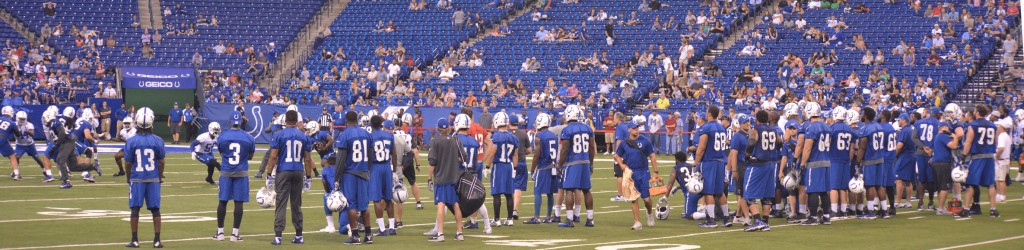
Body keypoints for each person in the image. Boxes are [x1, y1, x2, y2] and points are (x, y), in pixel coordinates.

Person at [264, 110, 314, 245]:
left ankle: (278, 236)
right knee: (296, 204)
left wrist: (268, 174)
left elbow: (273, 156)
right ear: (297, 121)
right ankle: (299, 235)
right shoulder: (303, 136)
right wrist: (308, 177)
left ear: (285, 120)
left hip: (283, 170)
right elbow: (308, 159)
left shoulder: (279, 134)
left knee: (281, 202)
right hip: (298, 170)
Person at [123, 107, 165, 248]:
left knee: (135, 209)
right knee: (155, 209)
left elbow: (128, 163)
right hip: (153, 178)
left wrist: (128, 178)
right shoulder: (158, 140)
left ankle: (134, 239)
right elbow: (161, 161)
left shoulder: (132, 141)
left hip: (137, 178)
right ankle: (157, 240)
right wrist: (159, 177)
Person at [212, 112, 255, 242]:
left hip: (226, 172)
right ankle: (235, 234)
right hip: (241, 172)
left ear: (230, 122)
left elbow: (221, 152)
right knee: (238, 202)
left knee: (223, 201)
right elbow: (250, 156)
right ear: (241, 122)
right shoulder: (248, 137)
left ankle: (220, 233)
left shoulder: (223, 136)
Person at [449, 114, 494, 233]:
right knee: (477, 200)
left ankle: (438, 228)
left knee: (445, 198)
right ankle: (487, 225)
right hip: (471, 173)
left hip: (458, 174)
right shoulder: (473, 141)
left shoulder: (455, 139)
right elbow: (474, 160)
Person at [335, 111, 373, 245]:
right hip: (363, 172)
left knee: (351, 205)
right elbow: (370, 155)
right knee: (364, 206)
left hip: (350, 173)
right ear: (357, 120)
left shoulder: (344, 135)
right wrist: (367, 169)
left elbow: (340, 159)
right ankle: (368, 235)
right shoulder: (366, 134)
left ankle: (355, 235)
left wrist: (337, 178)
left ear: (346, 120)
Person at [557, 105, 596, 227]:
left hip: (572, 162)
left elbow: (564, 150)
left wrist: (559, 165)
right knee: (586, 190)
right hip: (585, 162)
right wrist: (590, 163)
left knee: (569, 189)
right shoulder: (587, 128)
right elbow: (591, 149)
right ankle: (590, 219)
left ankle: (569, 219)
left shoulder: (567, 130)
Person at [427, 117, 466, 241]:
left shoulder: (435, 141)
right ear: (449, 128)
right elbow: (463, 157)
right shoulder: (456, 140)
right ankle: (459, 233)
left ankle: (440, 234)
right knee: (455, 204)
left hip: (441, 177)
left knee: (440, 204)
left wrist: (429, 179)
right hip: (454, 177)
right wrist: (453, 161)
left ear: (438, 128)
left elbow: (432, 162)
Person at [615, 120, 659, 230]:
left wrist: (655, 171)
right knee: (633, 199)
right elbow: (617, 155)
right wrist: (621, 165)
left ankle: (649, 213)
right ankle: (637, 222)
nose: (636, 129)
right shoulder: (624, 143)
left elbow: (652, 156)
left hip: (644, 172)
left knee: (647, 199)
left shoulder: (645, 141)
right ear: (629, 129)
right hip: (631, 173)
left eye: (637, 127)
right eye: (634, 128)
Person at [958, 105, 999, 218]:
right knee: (990, 184)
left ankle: (966, 209)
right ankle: (993, 209)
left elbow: (968, 142)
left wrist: (963, 156)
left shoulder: (973, 125)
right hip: (989, 156)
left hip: (977, 157)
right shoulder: (993, 125)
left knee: (971, 184)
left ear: (977, 113)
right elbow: (995, 141)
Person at [694, 106, 730, 228]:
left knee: (708, 191)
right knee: (720, 191)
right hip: (721, 161)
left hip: (709, 161)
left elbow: (702, 147)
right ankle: (726, 218)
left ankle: (711, 220)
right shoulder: (721, 127)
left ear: (709, 114)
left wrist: (695, 163)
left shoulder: (706, 128)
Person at [799, 102, 832, 225]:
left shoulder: (811, 128)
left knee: (812, 190)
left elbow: (807, 148)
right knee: (824, 191)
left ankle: (812, 217)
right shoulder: (827, 127)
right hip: (826, 161)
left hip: (815, 162)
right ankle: (827, 216)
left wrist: (802, 163)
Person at [485, 111, 518, 226]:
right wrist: (515, 168)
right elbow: (515, 154)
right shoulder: (513, 137)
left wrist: (487, 166)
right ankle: (509, 219)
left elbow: (493, 152)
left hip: (499, 166)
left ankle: (497, 219)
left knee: (497, 193)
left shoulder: (496, 136)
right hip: (509, 165)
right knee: (509, 194)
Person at [856, 107, 890, 219]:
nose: (861, 115)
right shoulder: (879, 127)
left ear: (866, 116)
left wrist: (858, 161)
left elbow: (862, 147)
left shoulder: (866, 129)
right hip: (880, 159)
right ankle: (884, 210)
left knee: (869, 185)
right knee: (879, 186)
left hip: (870, 159)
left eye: (862, 114)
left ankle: (870, 211)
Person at [368, 115, 398, 236]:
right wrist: (394, 171)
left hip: (375, 167)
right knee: (388, 198)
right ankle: (391, 227)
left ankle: (381, 229)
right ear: (381, 124)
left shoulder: (370, 136)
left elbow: (369, 156)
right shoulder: (390, 135)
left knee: (376, 199)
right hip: (386, 166)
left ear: (371, 125)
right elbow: (394, 155)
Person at [526, 114, 558, 224]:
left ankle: (536, 217)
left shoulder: (539, 136)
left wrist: (532, 170)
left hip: (543, 166)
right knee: (550, 193)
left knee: (537, 192)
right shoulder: (554, 135)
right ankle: (548, 216)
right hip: (553, 167)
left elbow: (536, 155)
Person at [828, 106, 854, 219]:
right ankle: (843, 210)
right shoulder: (850, 129)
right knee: (843, 187)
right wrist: (849, 159)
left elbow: (828, 143)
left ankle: (834, 210)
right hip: (845, 159)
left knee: (833, 187)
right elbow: (852, 148)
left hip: (834, 159)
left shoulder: (832, 128)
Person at [914, 107, 942, 210]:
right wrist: (932, 150)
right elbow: (939, 139)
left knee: (921, 179)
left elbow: (914, 137)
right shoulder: (939, 124)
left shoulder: (919, 122)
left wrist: (923, 146)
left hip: (920, 153)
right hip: (932, 153)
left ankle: (920, 203)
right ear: (937, 114)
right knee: (931, 180)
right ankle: (930, 202)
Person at [14, 111, 53, 182]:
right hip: (20, 145)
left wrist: (27, 131)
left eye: (23, 119)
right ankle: (16, 172)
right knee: (16, 158)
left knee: (37, 158)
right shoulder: (14, 125)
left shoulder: (28, 125)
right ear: (17, 118)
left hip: (30, 145)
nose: (22, 120)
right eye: (21, 119)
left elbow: (32, 134)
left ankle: (44, 170)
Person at [509, 115, 531, 220]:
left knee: (508, 187)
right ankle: (515, 210)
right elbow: (530, 149)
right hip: (521, 162)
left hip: (508, 163)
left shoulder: (507, 133)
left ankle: (508, 212)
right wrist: (522, 153)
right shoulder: (523, 134)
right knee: (517, 186)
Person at [0, 107, 23, 180]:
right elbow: (18, 135)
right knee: (12, 156)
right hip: (2, 138)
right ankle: (16, 174)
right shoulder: (12, 123)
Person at [611, 112, 629, 201]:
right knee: (626, 175)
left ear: (618, 119)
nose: (613, 120)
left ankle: (620, 195)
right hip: (627, 153)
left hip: (621, 154)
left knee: (619, 175)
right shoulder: (625, 126)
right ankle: (626, 194)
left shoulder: (619, 127)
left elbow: (619, 141)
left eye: (614, 118)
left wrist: (617, 154)